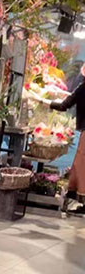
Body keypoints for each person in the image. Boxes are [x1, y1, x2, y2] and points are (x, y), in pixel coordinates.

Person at [50, 62, 85, 206]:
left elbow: (65, 105)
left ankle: (80, 198)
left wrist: (47, 103)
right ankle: (74, 195)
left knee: (80, 163)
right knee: (79, 162)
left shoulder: (83, 88)